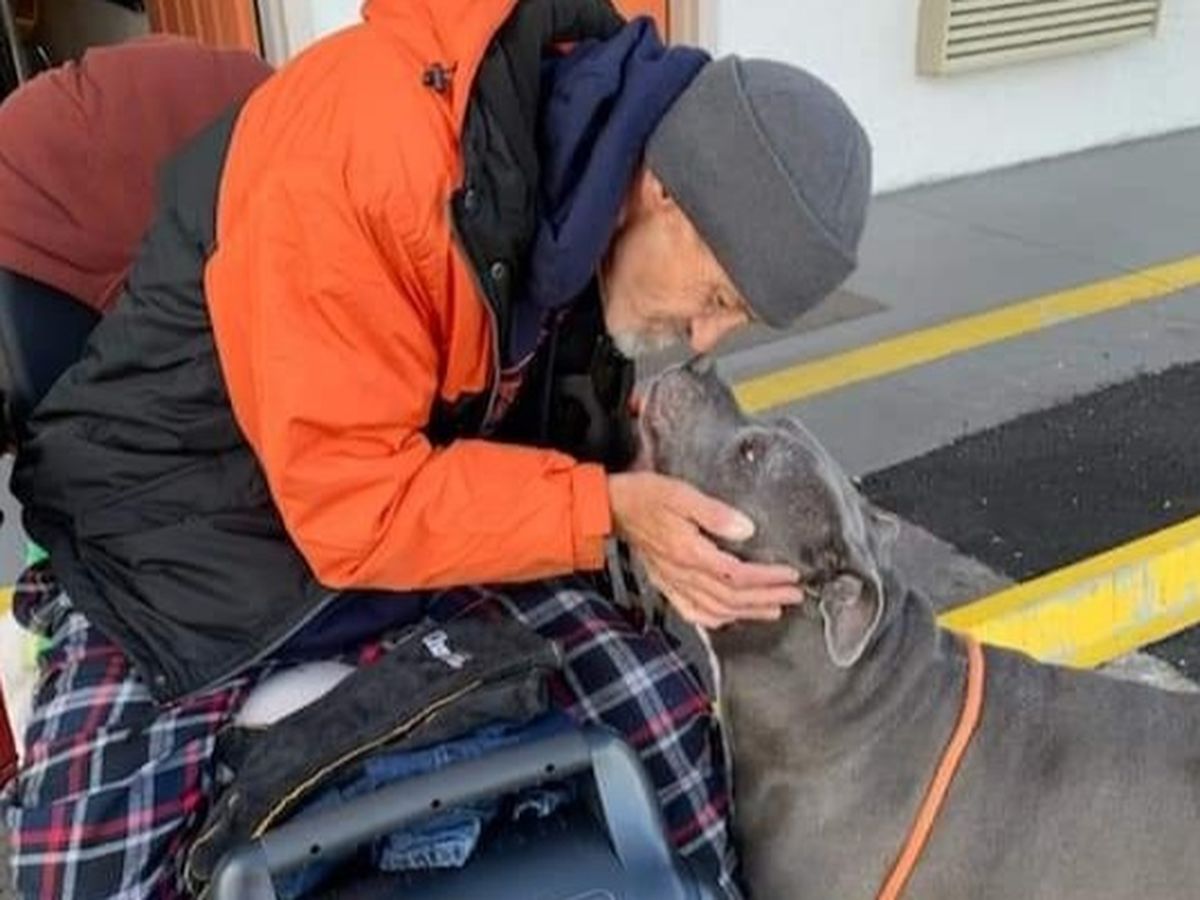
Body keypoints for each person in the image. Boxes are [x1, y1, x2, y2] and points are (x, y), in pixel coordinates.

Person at [0, 0, 872, 897]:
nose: (704, 336)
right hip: (175, 540)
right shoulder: (368, 160)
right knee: (80, 874)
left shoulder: (583, 170)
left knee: (666, 723)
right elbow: (352, 510)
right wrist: (604, 507)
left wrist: (624, 463)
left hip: (397, 533)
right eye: (718, 297)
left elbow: (526, 409)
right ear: (665, 192)